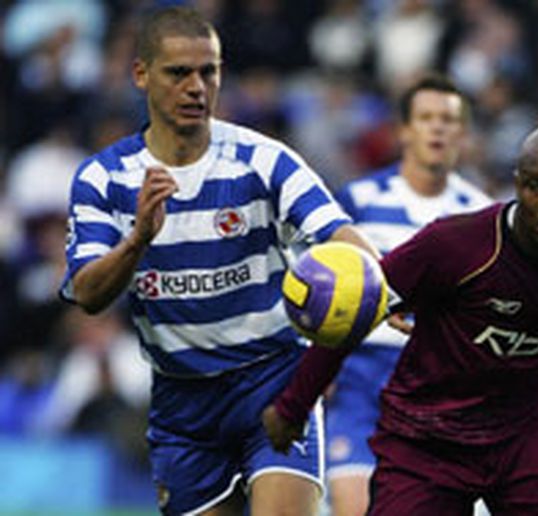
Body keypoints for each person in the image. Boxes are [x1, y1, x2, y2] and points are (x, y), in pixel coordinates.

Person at [60, 7, 379, 516]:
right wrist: (138, 239)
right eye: (179, 73)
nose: (196, 87)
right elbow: (89, 293)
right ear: (141, 74)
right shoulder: (103, 179)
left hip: (272, 383)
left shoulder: (263, 159)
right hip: (182, 405)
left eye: (208, 71)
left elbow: (335, 231)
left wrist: (383, 283)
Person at [262, 123, 538, 515]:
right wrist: (294, 406)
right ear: (517, 184)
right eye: (535, 186)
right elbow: (353, 312)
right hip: (426, 439)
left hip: (526, 434)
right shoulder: (454, 244)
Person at [324, 74, 492, 516]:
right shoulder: (358, 200)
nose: (437, 128)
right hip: (361, 381)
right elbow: (324, 287)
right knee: (353, 505)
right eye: (426, 118)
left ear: (462, 133)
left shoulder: (480, 214)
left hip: (438, 389)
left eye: (448, 120)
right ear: (404, 130)